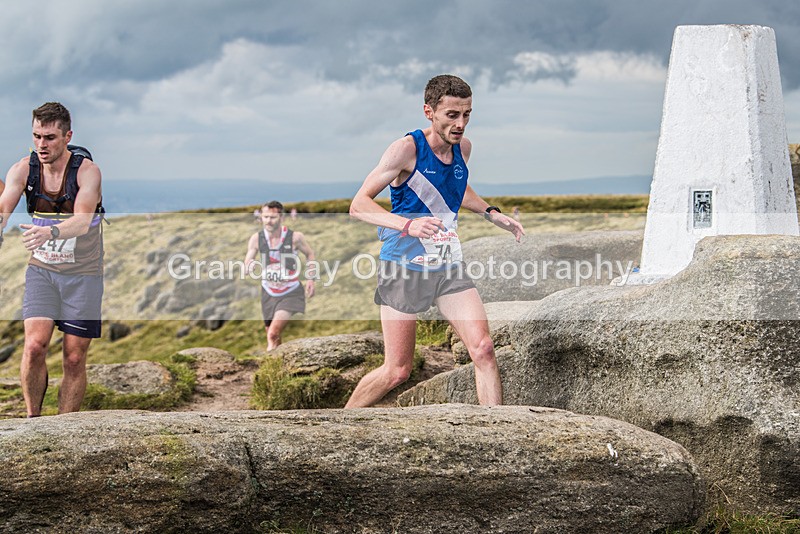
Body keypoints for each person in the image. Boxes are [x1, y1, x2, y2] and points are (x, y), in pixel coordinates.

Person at [345, 74, 524, 408]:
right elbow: (359, 205)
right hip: (404, 266)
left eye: (467, 115)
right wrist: (407, 226)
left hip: (446, 266)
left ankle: (497, 432)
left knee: (483, 349)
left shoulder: (463, 150)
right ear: (429, 111)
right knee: (397, 370)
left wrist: (491, 212)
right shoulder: (406, 149)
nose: (461, 124)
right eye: (452, 115)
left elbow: (454, 191)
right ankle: (339, 424)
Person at [0, 102, 104, 417]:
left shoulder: (87, 172)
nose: (42, 145)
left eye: (49, 137)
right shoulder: (23, 169)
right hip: (42, 270)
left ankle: (65, 426)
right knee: (34, 347)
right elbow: (4, 208)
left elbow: (83, 221)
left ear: (67, 136)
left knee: (73, 357)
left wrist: (51, 233)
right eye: (36, 137)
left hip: (84, 273)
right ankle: (34, 419)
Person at [245, 201, 316, 350]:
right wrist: (249, 265)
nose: (268, 221)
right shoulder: (256, 239)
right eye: (265, 217)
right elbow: (249, 258)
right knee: (273, 335)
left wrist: (311, 279)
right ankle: (280, 367)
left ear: (282, 218)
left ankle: (266, 368)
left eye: (273, 217)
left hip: (290, 292)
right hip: (268, 292)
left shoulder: (295, 237)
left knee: (272, 334)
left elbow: (310, 254)